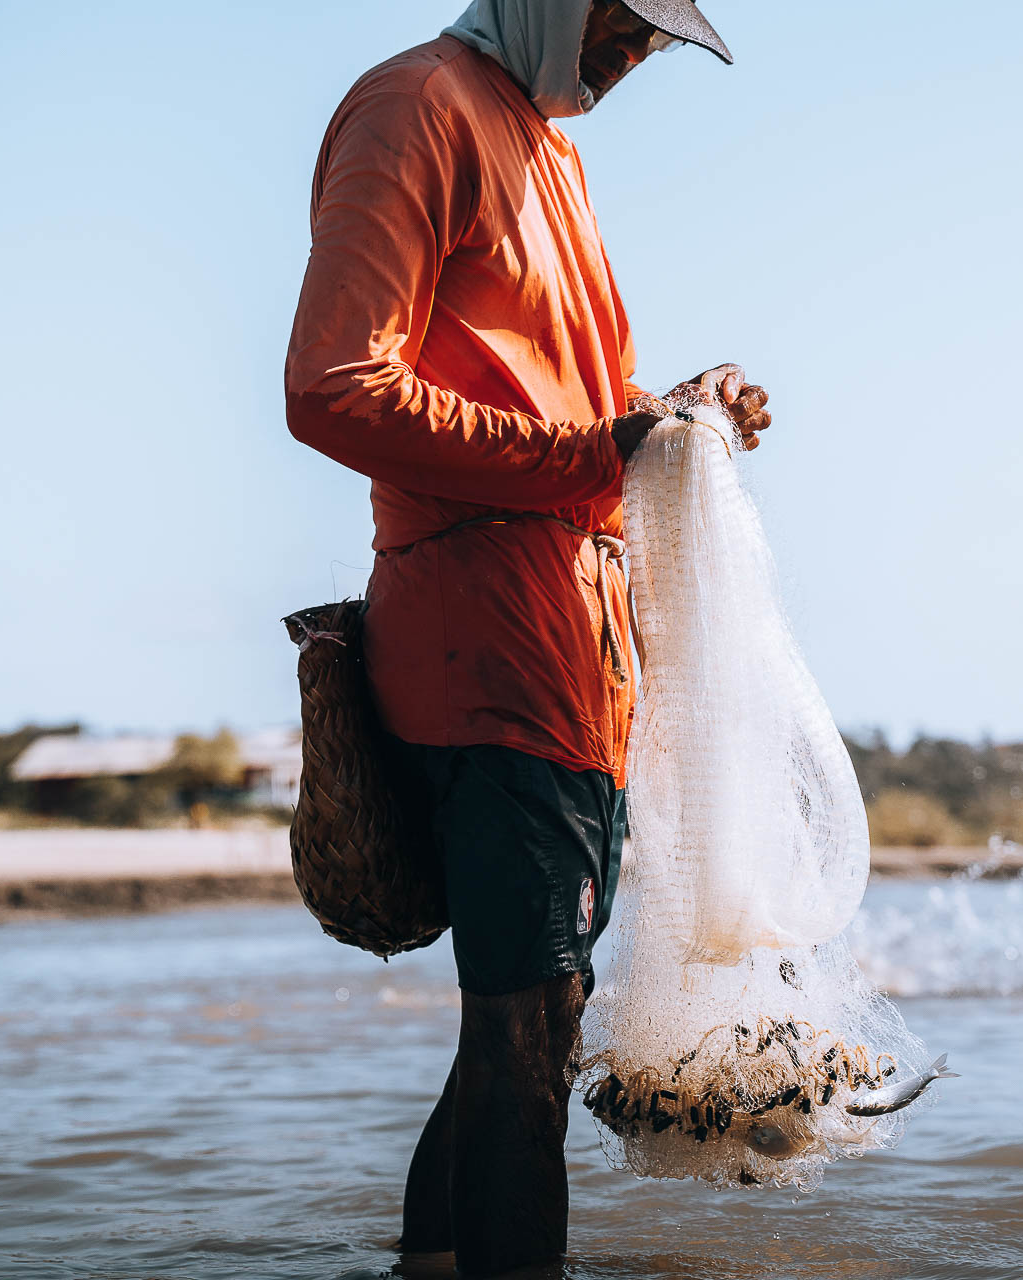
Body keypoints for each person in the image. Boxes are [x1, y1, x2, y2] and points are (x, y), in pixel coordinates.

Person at [284, 1, 770, 1273]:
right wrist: (587, 449)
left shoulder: (548, 147)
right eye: (625, 17)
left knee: (538, 1023)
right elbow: (335, 386)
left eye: (661, 36)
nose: (636, 50)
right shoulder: (419, 107)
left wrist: (674, 412)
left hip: (573, 655)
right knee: (522, 1033)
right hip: (482, 648)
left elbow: (570, 405)